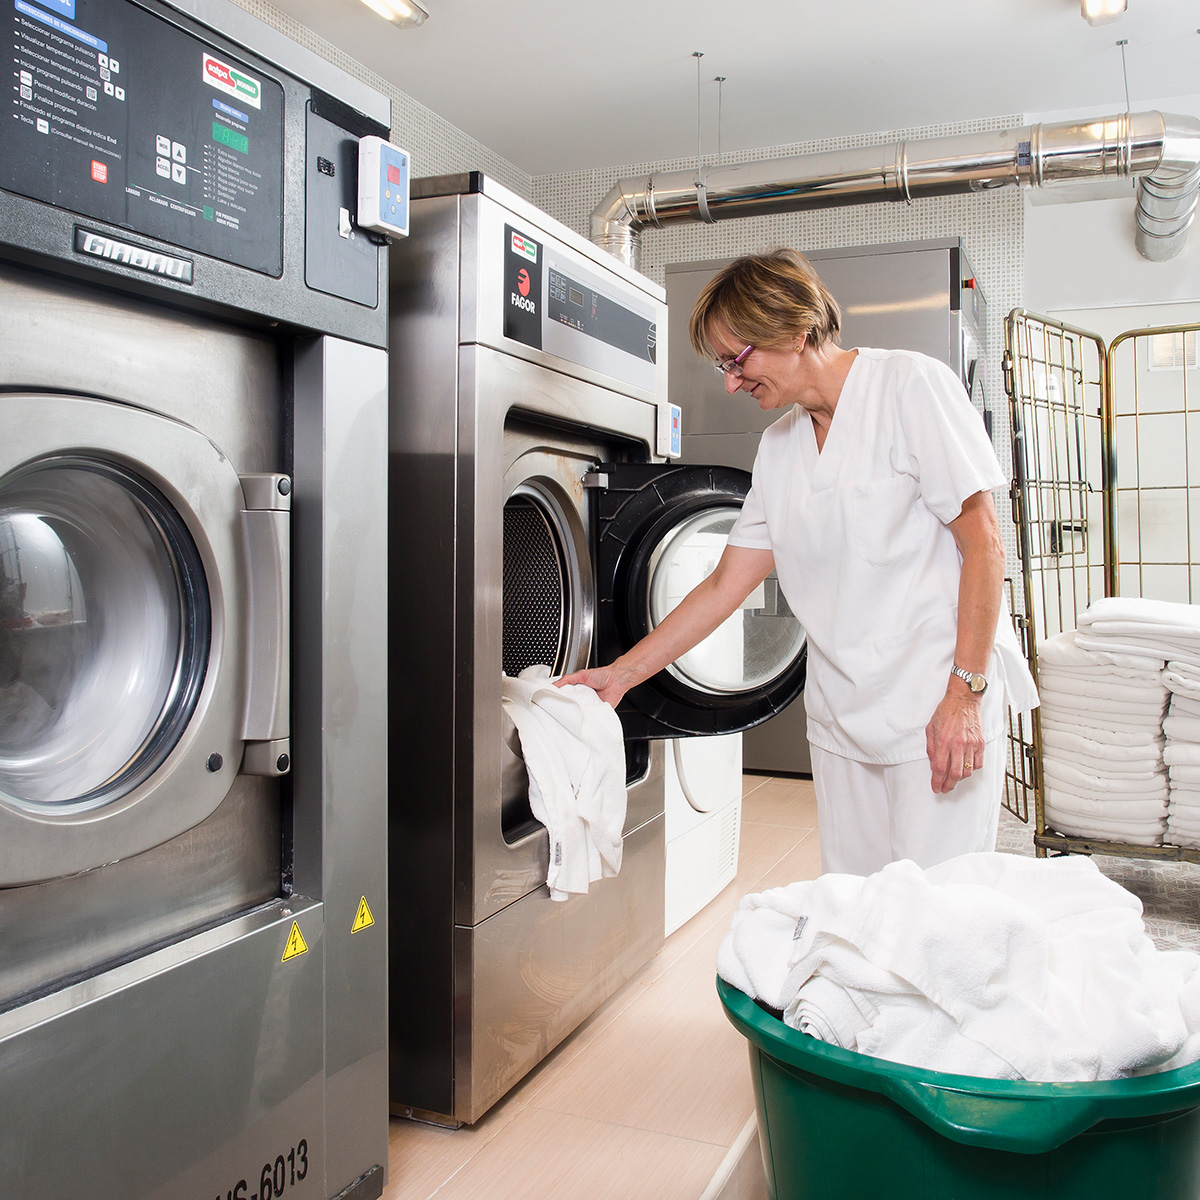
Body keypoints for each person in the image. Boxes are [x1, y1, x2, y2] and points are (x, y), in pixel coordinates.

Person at [557, 248, 1038, 876]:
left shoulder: (909, 387)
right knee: (855, 905)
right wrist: (621, 674)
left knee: (938, 915)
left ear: (796, 330)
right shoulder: (779, 445)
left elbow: (983, 544)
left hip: (934, 701)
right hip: (842, 710)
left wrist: (965, 694)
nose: (730, 381)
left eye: (738, 359)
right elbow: (726, 583)